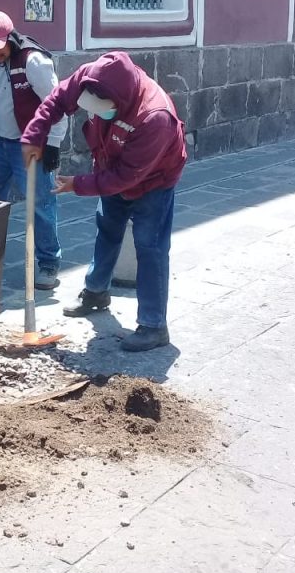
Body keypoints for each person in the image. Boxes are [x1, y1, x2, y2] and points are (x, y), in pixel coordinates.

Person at [21, 51, 187, 352]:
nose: (96, 115)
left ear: (120, 103)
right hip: (111, 163)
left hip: (153, 181)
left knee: (149, 246)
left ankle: (154, 325)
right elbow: (58, 98)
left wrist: (78, 184)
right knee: (107, 229)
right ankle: (96, 292)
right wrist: (35, 134)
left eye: (103, 111)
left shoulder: (154, 117)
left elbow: (125, 178)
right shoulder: (92, 76)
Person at [0, 9, 67, 290]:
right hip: (0, 142)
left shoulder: (33, 61)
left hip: (31, 144)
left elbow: (56, 106)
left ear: (10, 39)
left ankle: (48, 263)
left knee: (40, 204)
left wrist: (53, 144)